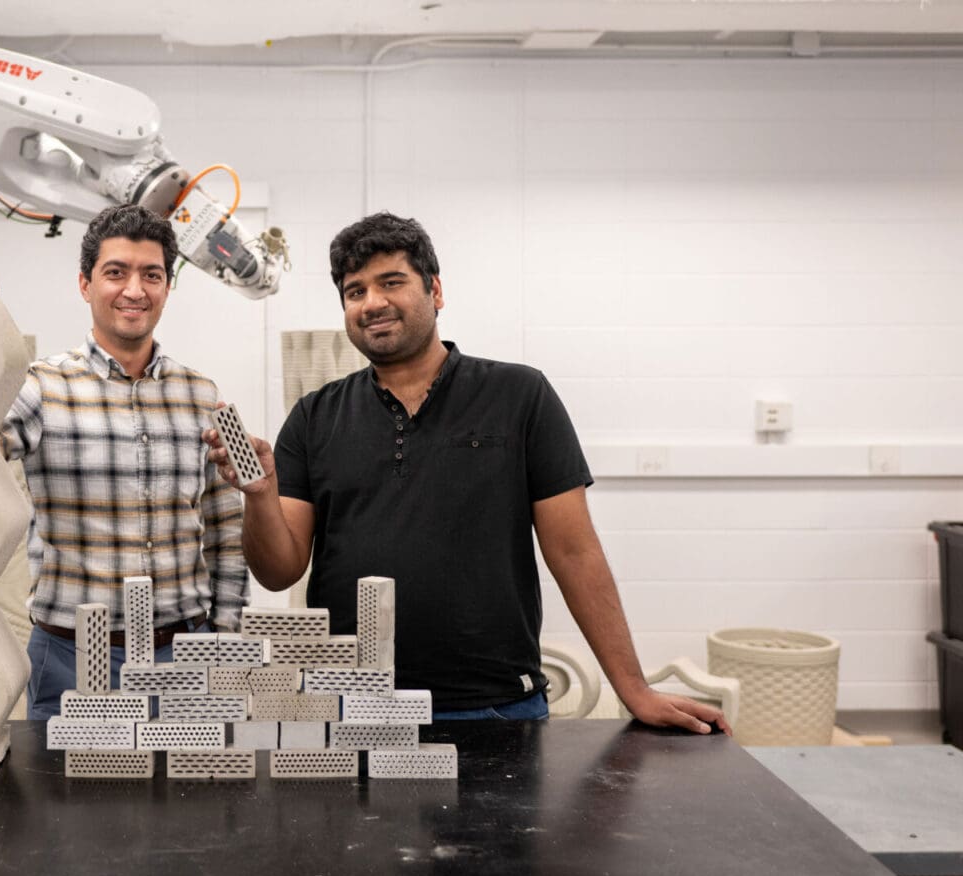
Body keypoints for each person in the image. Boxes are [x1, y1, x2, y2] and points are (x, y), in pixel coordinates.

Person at [205, 211, 729, 734]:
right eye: (355, 291)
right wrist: (260, 494)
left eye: (392, 283)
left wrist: (632, 688)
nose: (372, 303)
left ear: (435, 290)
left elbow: (574, 551)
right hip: (353, 708)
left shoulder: (520, 396)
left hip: (493, 706)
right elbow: (279, 571)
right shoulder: (315, 415)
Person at [0, 204, 247, 720]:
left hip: (186, 655)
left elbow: (228, 532)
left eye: (151, 275)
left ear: (167, 287)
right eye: (116, 272)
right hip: (69, 658)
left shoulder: (202, 395)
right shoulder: (41, 388)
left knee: (189, 802)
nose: (134, 290)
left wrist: (227, 644)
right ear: (85, 284)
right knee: (64, 802)